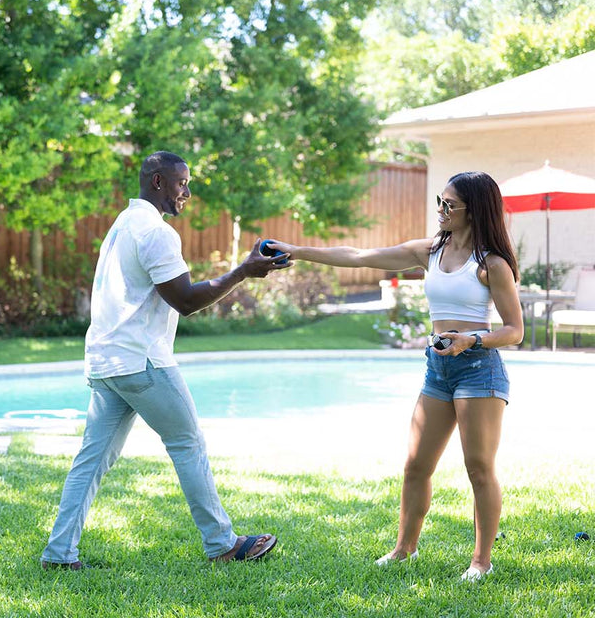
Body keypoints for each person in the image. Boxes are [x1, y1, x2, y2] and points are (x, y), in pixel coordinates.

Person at [266, 171, 523, 581]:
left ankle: (481, 561)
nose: (440, 210)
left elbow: (514, 330)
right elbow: (359, 255)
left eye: (449, 204)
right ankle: (405, 549)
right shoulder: (430, 252)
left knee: (478, 467)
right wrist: (296, 250)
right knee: (415, 465)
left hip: (478, 369)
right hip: (438, 368)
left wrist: (469, 340)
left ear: (473, 211)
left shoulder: (490, 264)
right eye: (440, 200)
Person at [40, 151, 292, 569]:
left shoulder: (123, 224)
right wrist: (242, 272)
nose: (187, 192)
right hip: (142, 361)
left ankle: (59, 553)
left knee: (91, 460)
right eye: (181, 183)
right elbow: (185, 300)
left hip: (107, 362)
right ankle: (223, 544)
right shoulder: (155, 232)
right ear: (158, 182)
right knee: (187, 442)